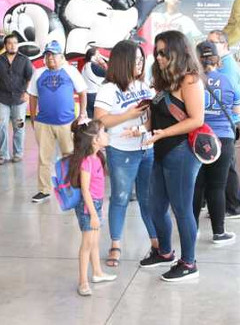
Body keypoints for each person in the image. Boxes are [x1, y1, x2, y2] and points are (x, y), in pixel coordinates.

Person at [140, 30, 204, 282]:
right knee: (155, 206)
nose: (158, 57)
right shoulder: (164, 79)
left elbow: (197, 119)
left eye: (164, 52)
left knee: (182, 209)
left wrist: (163, 132)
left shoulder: (190, 80)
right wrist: (144, 129)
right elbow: (157, 114)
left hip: (181, 152)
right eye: (156, 52)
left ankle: (189, 263)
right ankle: (164, 252)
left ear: (177, 51)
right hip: (160, 149)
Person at [93, 40, 155, 268]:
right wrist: (128, 115)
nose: (140, 64)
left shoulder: (143, 86)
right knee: (120, 198)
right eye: (136, 60)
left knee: (148, 199)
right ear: (123, 61)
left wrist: (142, 127)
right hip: (121, 151)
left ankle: (156, 243)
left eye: (141, 60)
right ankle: (116, 244)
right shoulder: (108, 89)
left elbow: (151, 118)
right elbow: (101, 119)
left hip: (147, 148)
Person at [192, 41, 240, 244]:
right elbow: (237, 111)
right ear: (216, 59)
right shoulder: (229, 80)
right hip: (224, 138)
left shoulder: (191, 81)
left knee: (196, 185)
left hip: (198, 138)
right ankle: (219, 232)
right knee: (217, 186)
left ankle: (192, 229)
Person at [28, 40, 87, 203]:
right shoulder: (38, 73)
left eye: (53, 55)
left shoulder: (71, 71)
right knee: (44, 157)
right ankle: (44, 190)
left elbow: (83, 93)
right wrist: (33, 118)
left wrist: (82, 115)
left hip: (66, 123)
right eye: (47, 55)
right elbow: (32, 96)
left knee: (69, 156)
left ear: (61, 57)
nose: (50, 58)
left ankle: (72, 187)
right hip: (44, 123)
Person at [68, 120, 117, 296]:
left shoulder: (97, 157)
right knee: (87, 244)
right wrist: (94, 213)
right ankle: (83, 281)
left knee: (95, 242)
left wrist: (99, 207)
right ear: (95, 140)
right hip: (88, 207)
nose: (106, 135)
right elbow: (85, 190)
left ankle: (97, 272)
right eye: (103, 133)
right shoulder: (87, 161)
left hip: (95, 204)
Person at [207, 30, 240, 219]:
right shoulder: (222, 66)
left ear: (224, 45)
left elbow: (235, 105)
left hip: (226, 126)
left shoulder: (227, 68)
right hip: (222, 126)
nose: (209, 46)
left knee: (227, 168)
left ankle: (232, 206)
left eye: (213, 43)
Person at [0, 33, 33, 165]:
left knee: (19, 127)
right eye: (10, 43)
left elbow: (30, 78)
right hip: (3, 99)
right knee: (1, 126)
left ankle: (18, 153)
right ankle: (3, 155)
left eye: (15, 43)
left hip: (19, 99)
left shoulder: (24, 60)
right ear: (5, 45)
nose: (13, 45)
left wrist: (27, 92)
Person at [82, 47, 107, 119]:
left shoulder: (84, 67)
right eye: (98, 54)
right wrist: (103, 63)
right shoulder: (94, 66)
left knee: (90, 119)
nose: (100, 56)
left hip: (88, 95)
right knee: (100, 119)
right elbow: (108, 74)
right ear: (93, 57)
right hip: (96, 94)